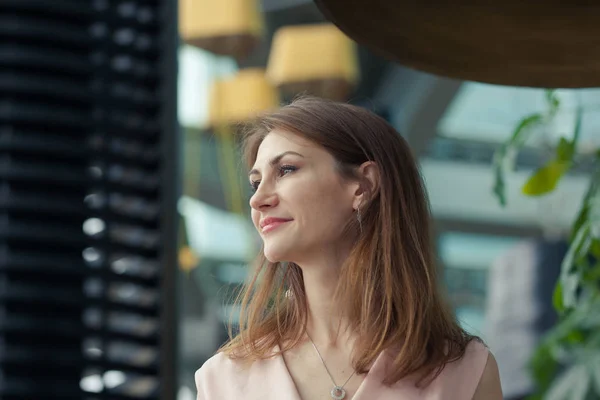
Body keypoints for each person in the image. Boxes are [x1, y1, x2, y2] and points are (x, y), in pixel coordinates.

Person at [195, 96, 503, 400]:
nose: (258, 199)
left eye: (287, 169)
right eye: (255, 182)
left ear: (363, 186)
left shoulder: (463, 373)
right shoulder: (223, 379)